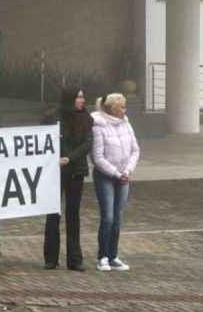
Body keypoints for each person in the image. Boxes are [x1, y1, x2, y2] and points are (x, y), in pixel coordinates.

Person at [41, 87, 93, 271]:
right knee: (53, 213)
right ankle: (50, 258)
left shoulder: (86, 119)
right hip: (55, 171)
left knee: (73, 215)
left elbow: (88, 144)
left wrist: (70, 157)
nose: (82, 100)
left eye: (82, 96)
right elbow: (43, 141)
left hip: (75, 170)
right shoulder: (51, 117)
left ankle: (75, 259)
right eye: (79, 97)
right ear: (70, 99)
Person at [90, 92, 140, 272]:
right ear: (113, 109)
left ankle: (113, 256)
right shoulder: (98, 126)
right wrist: (117, 174)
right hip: (106, 177)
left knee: (117, 217)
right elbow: (97, 157)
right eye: (122, 107)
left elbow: (135, 150)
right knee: (108, 216)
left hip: (123, 176)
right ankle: (102, 256)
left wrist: (127, 171)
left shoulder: (126, 123)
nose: (125, 110)